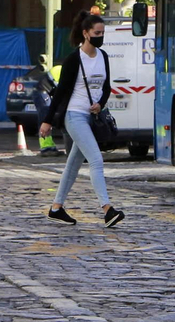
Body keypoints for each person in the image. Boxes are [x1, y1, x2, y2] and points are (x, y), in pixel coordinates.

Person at [41, 14, 124, 228]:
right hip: (74, 115)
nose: (100, 37)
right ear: (85, 34)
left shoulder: (103, 56)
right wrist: (47, 121)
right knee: (96, 159)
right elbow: (60, 93)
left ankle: (56, 208)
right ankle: (107, 209)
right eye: (97, 33)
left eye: (103, 33)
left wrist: (101, 103)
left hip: (92, 115)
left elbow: (106, 87)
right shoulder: (73, 60)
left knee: (73, 164)